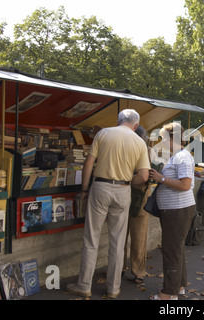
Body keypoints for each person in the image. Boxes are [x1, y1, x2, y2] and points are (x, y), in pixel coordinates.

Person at [66, 109, 150, 299]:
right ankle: (113, 289)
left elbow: (88, 164)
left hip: (100, 188)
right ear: (136, 125)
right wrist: (128, 181)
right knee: (118, 242)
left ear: (118, 120)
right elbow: (144, 176)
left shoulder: (103, 133)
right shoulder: (139, 142)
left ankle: (84, 285)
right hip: (123, 191)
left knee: (91, 239)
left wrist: (84, 189)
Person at [148, 122, 196, 300]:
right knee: (176, 249)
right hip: (176, 208)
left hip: (177, 209)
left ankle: (168, 293)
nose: (161, 141)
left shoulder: (182, 157)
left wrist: (161, 178)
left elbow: (185, 184)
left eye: (163, 138)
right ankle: (179, 286)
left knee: (171, 250)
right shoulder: (179, 156)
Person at [123, 126, 152, 284]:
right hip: (140, 194)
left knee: (120, 235)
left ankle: (119, 267)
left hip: (127, 192)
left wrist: (125, 182)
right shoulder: (145, 149)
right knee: (139, 236)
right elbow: (145, 176)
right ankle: (138, 271)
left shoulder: (125, 147)